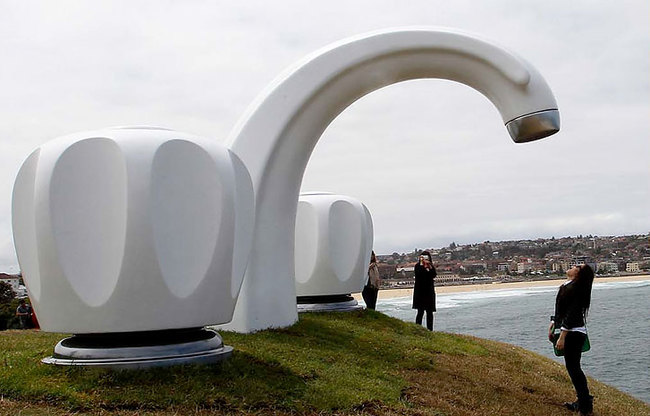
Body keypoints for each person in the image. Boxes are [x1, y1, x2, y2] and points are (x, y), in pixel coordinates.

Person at [548, 264, 595, 416]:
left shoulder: (576, 288)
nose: (573, 266)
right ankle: (583, 401)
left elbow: (573, 313)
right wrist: (554, 322)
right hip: (569, 331)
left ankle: (585, 405)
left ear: (579, 274)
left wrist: (562, 336)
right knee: (573, 368)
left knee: (574, 368)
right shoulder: (567, 286)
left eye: (577, 266)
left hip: (573, 333)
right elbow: (562, 310)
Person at [412, 250, 436, 331]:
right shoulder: (417, 266)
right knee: (420, 311)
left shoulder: (430, 266)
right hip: (420, 291)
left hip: (429, 291)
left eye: (426, 257)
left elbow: (433, 275)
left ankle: (430, 330)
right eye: (422, 257)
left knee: (429, 312)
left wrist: (428, 267)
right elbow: (418, 274)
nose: (424, 259)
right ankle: (417, 328)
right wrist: (422, 265)